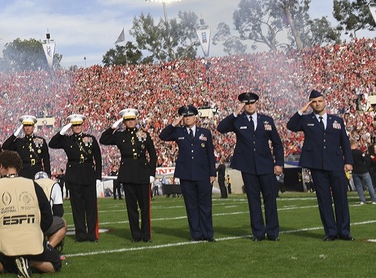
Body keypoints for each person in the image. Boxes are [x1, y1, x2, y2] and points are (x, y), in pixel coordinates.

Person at [0, 150, 62, 278]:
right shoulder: (33, 185)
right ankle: (28, 262)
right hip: (32, 242)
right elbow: (47, 216)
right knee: (56, 264)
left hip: (6, 244)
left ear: (2, 166)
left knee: (5, 263)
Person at [286, 89, 354, 241]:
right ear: (311, 104)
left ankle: (344, 231)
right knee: (324, 200)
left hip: (336, 164)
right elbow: (290, 125)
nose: (317, 104)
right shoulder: (306, 120)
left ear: (325, 102)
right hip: (317, 165)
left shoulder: (337, 120)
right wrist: (301, 110)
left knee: (341, 198)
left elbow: (345, 142)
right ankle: (330, 232)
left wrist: (348, 161)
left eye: (320, 101)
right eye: (314, 102)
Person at [216, 91, 285, 241]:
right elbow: (221, 128)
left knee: (270, 199)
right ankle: (258, 233)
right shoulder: (238, 120)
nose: (250, 106)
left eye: (252, 103)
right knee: (253, 200)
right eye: (246, 104)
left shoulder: (266, 120)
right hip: (248, 166)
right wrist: (235, 113)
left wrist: (279, 163)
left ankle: (273, 233)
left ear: (256, 103)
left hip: (266, 164)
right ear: (243, 105)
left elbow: (277, 143)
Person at [159, 105, 215, 242]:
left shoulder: (205, 132)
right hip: (186, 174)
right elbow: (163, 135)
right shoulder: (178, 132)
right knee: (191, 206)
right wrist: (174, 123)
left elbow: (210, 154)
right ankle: (196, 235)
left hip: (202, 173)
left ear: (195, 117)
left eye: (190, 116)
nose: (187, 118)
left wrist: (212, 173)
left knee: (205, 206)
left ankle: (208, 234)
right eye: (185, 116)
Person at [100, 108, 157, 242]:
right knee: (131, 208)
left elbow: (153, 155)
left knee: (145, 208)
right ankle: (135, 235)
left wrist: (151, 173)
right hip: (127, 174)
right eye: (127, 120)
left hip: (142, 173)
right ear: (124, 122)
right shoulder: (120, 135)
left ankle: (146, 235)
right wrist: (115, 125)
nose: (130, 122)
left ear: (136, 120)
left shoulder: (145, 135)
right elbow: (103, 139)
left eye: (132, 119)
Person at [48, 113, 102, 242]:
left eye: (78, 124)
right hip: (74, 176)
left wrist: (98, 176)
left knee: (91, 207)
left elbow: (98, 158)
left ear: (82, 125)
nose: (77, 127)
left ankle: (92, 235)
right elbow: (52, 143)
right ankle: (81, 235)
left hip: (88, 174)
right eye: (74, 125)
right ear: (71, 126)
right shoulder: (67, 139)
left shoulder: (91, 139)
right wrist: (62, 130)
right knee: (77, 207)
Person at [2, 115, 50, 179]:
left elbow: (46, 159)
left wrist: (48, 174)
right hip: (23, 172)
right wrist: (15, 134)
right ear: (23, 128)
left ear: (33, 127)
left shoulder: (41, 141)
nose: (27, 128)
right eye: (25, 126)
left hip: (37, 171)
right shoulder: (19, 142)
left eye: (29, 126)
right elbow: (5, 146)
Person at [34, 171, 68, 249]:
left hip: (29, 222)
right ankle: (49, 248)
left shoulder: (29, 184)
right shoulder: (53, 184)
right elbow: (59, 211)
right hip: (45, 222)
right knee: (62, 223)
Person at [350, 139, 376, 205]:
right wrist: (369, 158)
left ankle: (362, 200)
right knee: (369, 185)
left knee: (359, 187)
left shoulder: (349, 153)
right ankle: (374, 199)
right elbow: (366, 159)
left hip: (355, 171)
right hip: (363, 170)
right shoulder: (359, 152)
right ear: (355, 144)